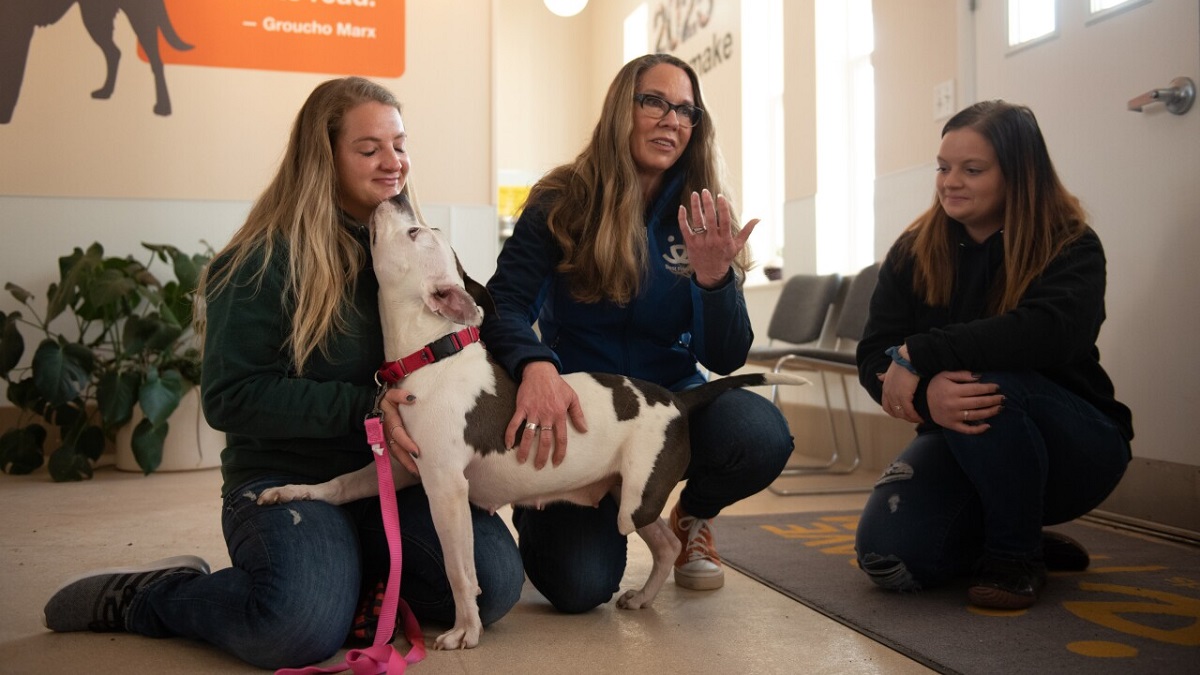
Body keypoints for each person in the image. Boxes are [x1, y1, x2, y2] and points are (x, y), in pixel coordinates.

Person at [41, 77, 524, 669]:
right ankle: (155, 598)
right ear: (323, 157)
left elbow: (469, 333)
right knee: (292, 630)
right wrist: (366, 408)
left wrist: (537, 376)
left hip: (390, 478)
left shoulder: (408, 249)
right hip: (287, 474)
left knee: (494, 585)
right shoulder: (256, 263)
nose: (393, 162)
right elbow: (230, 397)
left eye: (399, 144)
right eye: (369, 149)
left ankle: (352, 580)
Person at [481, 53, 795, 613]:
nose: (671, 120)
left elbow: (725, 358)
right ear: (620, 110)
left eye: (686, 110)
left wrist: (715, 279)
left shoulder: (700, 213)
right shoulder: (560, 200)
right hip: (584, 417)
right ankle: (574, 509)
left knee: (760, 433)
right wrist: (535, 365)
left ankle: (692, 513)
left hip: (670, 405)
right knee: (579, 588)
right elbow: (503, 302)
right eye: (654, 101)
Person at [853, 100, 1133, 610]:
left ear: (1018, 175)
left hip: (1078, 446)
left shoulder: (1070, 243)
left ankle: (1015, 555)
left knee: (985, 380)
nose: (949, 181)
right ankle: (1000, 532)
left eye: (972, 169)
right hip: (963, 434)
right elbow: (874, 352)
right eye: (943, 167)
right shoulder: (914, 249)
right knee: (888, 561)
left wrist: (922, 354)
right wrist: (925, 397)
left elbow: (1049, 334)